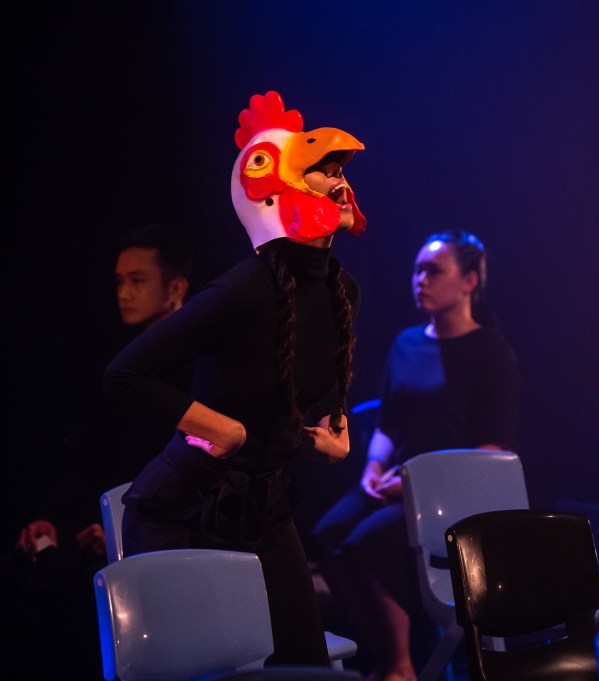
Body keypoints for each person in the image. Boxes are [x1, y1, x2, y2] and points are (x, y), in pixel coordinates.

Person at [102, 90, 366, 667]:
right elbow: (126, 374)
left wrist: (330, 433)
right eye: (323, 170)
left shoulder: (341, 292)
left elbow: (309, 394)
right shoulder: (245, 287)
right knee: (208, 670)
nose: (338, 179)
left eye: (338, 171)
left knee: (303, 665)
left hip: (263, 509)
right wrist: (221, 427)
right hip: (183, 512)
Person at [309, 230, 521, 681]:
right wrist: (372, 466)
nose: (421, 280)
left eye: (434, 271)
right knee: (327, 534)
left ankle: (400, 665)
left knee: (368, 540)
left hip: (454, 493)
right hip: (395, 483)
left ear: (468, 282)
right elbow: (388, 423)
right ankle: (387, 653)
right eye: (417, 270)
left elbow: (490, 448)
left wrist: (413, 483)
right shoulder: (407, 343)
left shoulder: (490, 352)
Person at [1, 222, 194, 680]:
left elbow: (191, 468)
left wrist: (130, 533)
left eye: (138, 280)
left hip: (164, 535)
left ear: (175, 288)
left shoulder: (197, 365)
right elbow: (92, 453)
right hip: (107, 519)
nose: (124, 293)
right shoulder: (122, 361)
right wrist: (50, 516)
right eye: (120, 281)